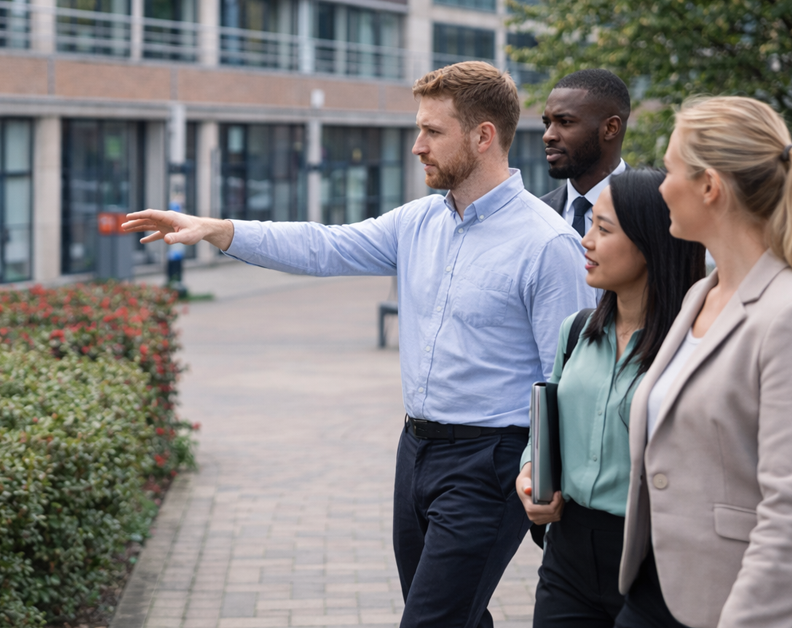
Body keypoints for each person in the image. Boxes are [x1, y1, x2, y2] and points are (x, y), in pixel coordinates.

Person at [123, 61, 597, 628]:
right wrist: (219, 229)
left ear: (483, 136)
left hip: (491, 463)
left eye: (432, 132)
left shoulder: (548, 245)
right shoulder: (419, 221)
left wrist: (540, 473)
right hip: (415, 451)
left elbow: (568, 377)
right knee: (457, 618)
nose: (418, 146)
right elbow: (324, 246)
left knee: (429, 621)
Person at [616, 96, 792, 628]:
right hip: (652, 589)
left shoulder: (782, 314)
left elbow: (786, 509)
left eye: (669, 169)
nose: (661, 184)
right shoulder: (700, 294)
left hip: (727, 603)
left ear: (710, 187)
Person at [514, 170, 705, 627]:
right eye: (590, 225)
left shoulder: (694, 344)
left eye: (604, 228)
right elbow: (547, 426)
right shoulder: (577, 331)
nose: (585, 241)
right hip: (568, 553)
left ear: (650, 241)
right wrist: (529, 473)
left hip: (655, 554)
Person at [539, 69, 632, 236]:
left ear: (611, 128)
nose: (548, 135)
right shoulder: (537, 215)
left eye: (565, 122)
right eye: (547, 124)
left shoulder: (659, 208)